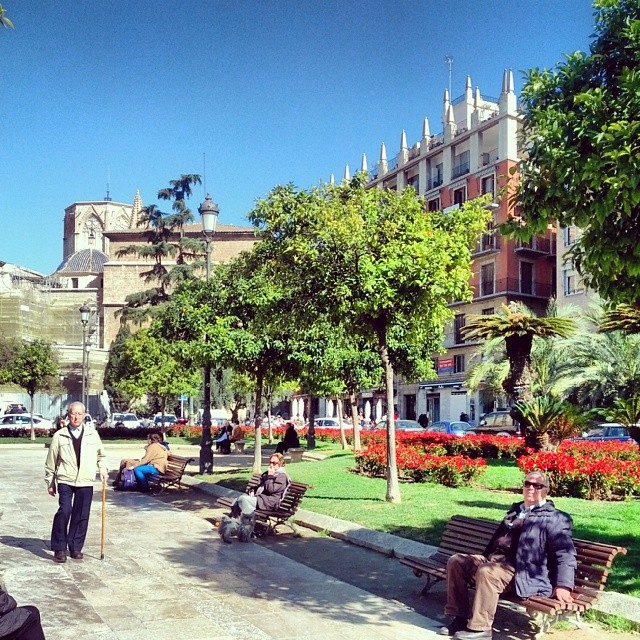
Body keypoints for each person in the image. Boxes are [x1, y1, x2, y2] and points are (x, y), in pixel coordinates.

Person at [439, 471, 576, 640]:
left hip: (522, 571)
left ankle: (481, 629)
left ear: (546, 490)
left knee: (487, 572)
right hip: (494, 561)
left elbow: (565, 552)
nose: (531, 488)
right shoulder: (516, 511)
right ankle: (459, 618)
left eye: (537, 485)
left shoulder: (555, 518)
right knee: (456, 562)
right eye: (527, 484)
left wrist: (564, 585)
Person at [44, 401, 108, 564]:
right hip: (66, 478)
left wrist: (103, 469)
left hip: (85, 479)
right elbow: (51, 460)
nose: (76, 417)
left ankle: (75, 546)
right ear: (68, 414)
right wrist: (50, 481)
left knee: (82, 515)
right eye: (73, 413)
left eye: (80, 414)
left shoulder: (92, 434)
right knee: (65, 511)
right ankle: (59, 548)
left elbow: (101, 455)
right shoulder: (60, 435)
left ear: (84, 415)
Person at [232, 453, 291, 517]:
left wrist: (270, 476)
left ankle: (248, 520)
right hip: (261, 498)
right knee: (236, 500)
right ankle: (236, 520)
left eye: (274, 463)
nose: (271, 465)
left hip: (270, 502)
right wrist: (252, 491)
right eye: (270, 462)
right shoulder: (266, 474)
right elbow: (258, 486)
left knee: (243, 499)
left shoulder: (282, 476)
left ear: (280, 463)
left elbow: (271, 490)